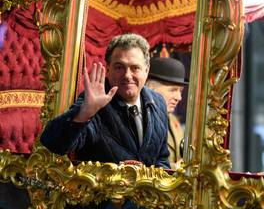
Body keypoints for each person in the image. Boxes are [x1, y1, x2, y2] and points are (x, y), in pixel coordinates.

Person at [40, 33, 170, 167]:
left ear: (146, 70)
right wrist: (85, 112)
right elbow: (54, 144)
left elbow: (162, 158)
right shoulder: (94, 101)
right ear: (108, 69)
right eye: (119, 67)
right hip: (102, 187)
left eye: (135, 68)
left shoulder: (158, 102)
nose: (127, 75)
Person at [146, 57, 188, 169]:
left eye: (180, 91)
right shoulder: (141, 119)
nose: (179, 97)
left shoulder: (174, 121)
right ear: (151, 88)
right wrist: (175, 168)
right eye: (173, 90)